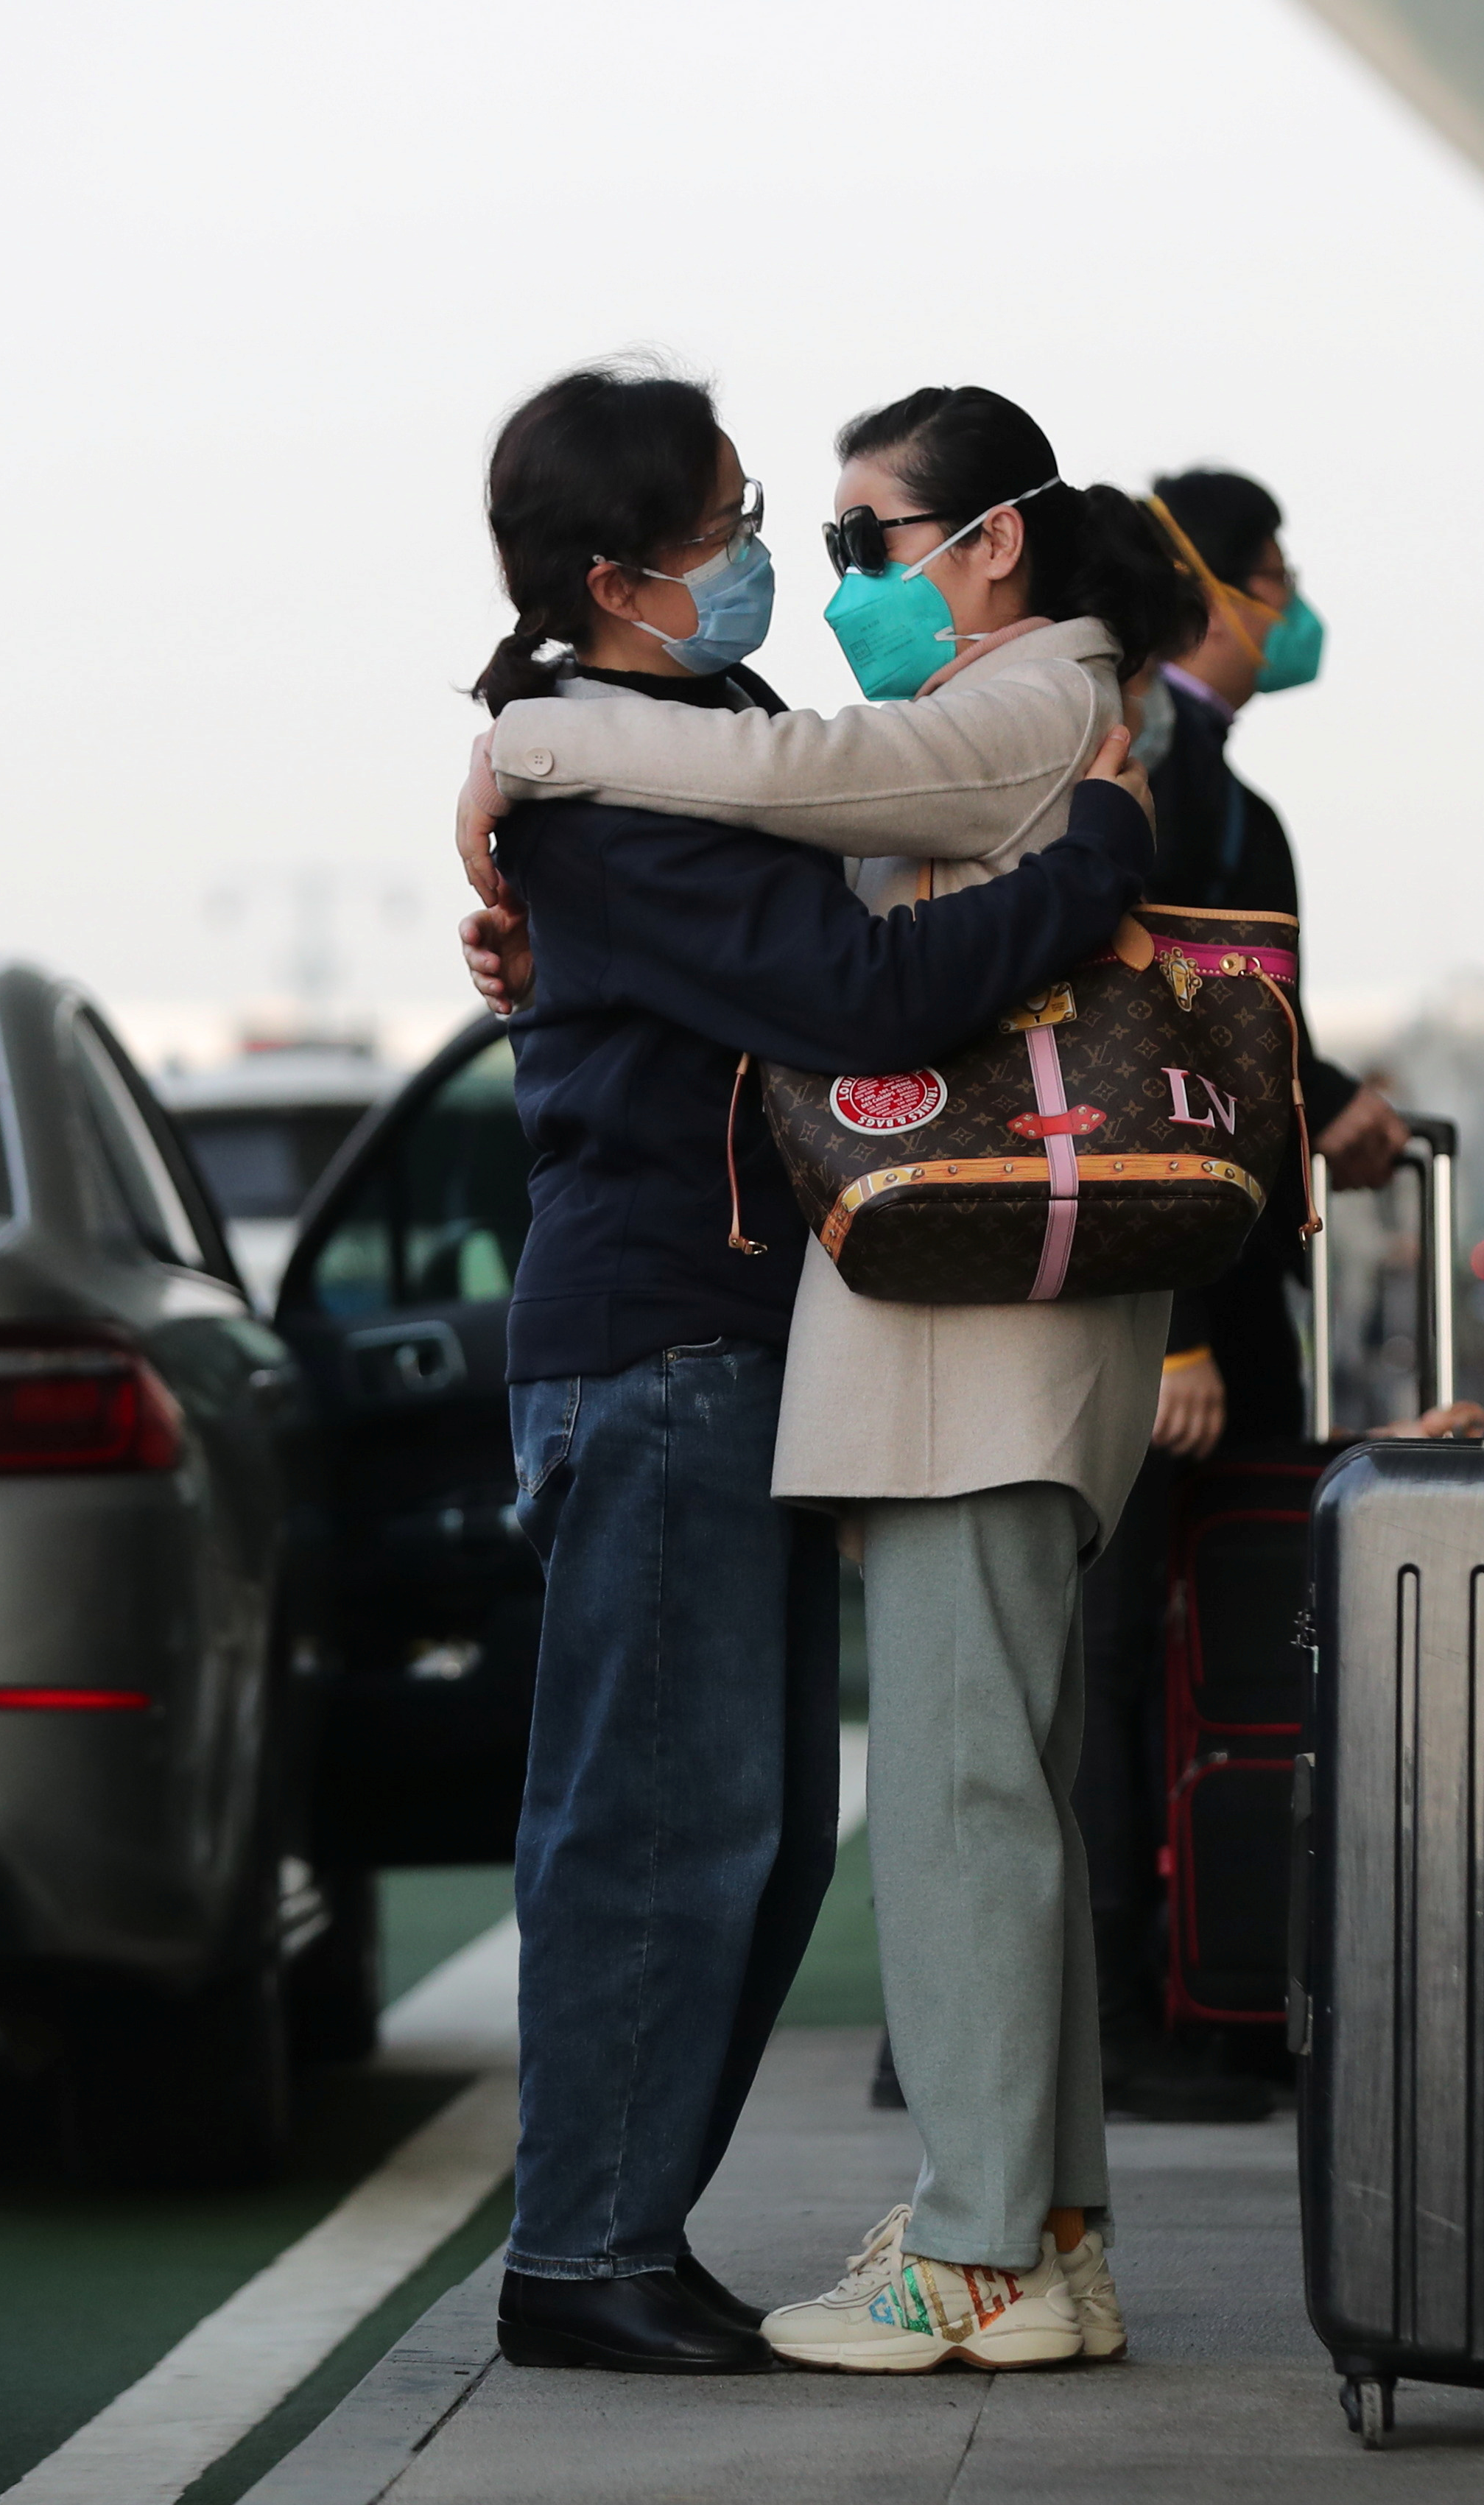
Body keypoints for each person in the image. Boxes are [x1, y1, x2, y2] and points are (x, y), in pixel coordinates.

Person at [458, 385, 1206, 2373]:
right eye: (745, 525)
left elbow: (832, 822)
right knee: (661, 1816)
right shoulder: (607, 783)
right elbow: (846, 994)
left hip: (744, 1336)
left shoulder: (707, 746)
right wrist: (1101, 853)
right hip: (659, 1336)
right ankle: (585, 2250)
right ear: (617, 576)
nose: (786, 561)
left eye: (805, 523)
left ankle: (637, 2233)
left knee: (766, 1819)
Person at [1074, 469, 1407, 2123]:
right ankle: (1128, 2006)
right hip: (1172, 1292)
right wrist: (1186, 1320)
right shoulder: (1157, 773)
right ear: (1216, 584)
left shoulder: (1191, 773)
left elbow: (1239, 1027)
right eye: (1278, 573)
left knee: (1186, 1640)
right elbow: (1163, 1040)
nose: (1292, 607)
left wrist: (1322, 1093)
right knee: (1124, 1650)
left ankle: (1202, 1980)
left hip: (1205, 1271)